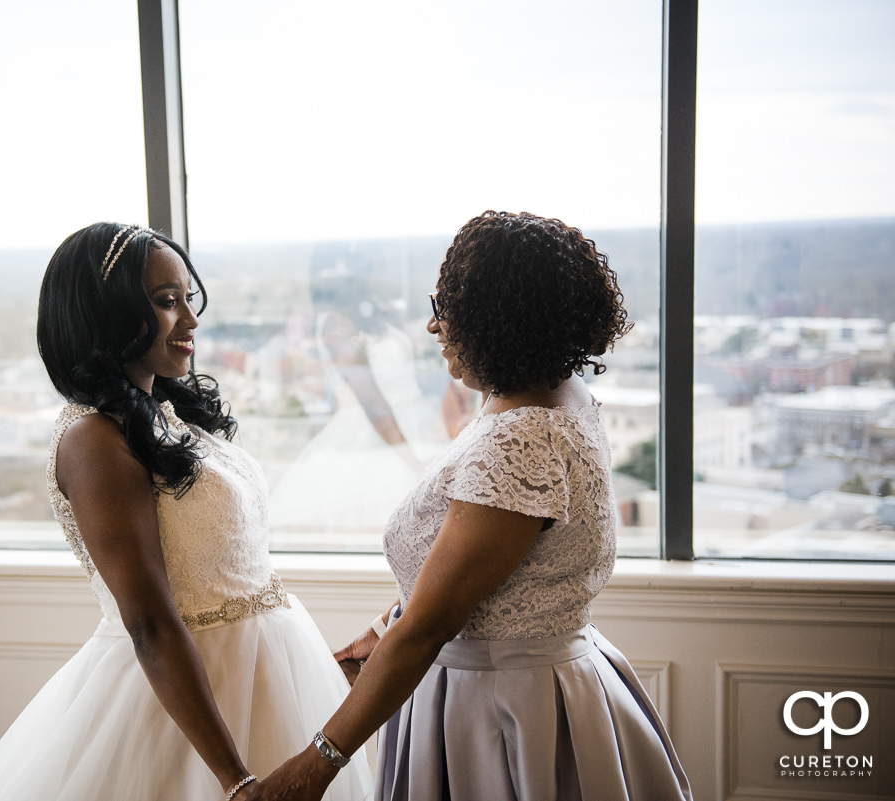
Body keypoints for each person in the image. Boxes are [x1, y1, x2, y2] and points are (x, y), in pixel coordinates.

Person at [251, 211, 693, 801]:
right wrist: (385, 628)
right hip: (545, 680)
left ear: (499, 322)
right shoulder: (558, 394)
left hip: (501, 713)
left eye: (450, 308)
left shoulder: (519, 439)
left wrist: (315, 765)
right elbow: (487, 580)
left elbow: (435, 622)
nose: (435, 326)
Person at [0, 223, 372, 801]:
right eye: (166, 302)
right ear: (107, 314)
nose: (191, 320)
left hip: (271, 679)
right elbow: (149, 622)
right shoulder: (93, 441)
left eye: (188, 299)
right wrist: (235, 781)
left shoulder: (166, 413)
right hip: (184, 714)